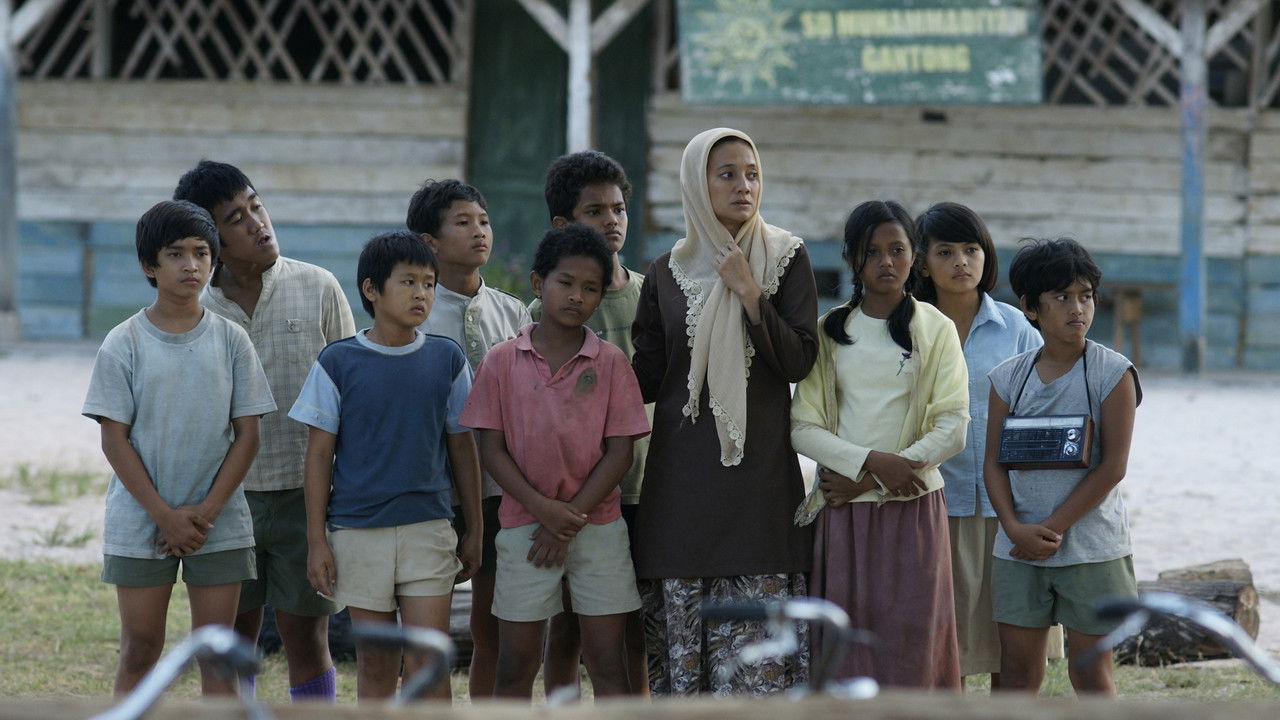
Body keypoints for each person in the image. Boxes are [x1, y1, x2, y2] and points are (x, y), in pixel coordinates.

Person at [631, 127, 818, 695]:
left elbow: (797, 361)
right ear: (696, 184)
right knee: (685, 668)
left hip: (758, 483)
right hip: (681, 486)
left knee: (758, 670)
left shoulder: (786, 257)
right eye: (727, 174)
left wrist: (748, 291)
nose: (744, 186)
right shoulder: (665, 273)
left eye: (752, 173)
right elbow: (646, 375)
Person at [174, 160, 355, 702]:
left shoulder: (316, 286)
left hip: (309, 496)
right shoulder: (195, 309)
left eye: (257, 205)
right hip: (227, 503)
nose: (257, 223)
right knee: (232, 640)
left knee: (307, 636)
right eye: (236, 218)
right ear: (212, 240)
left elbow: (351, 393)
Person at [82, 200, 275, 696]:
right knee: (141, 646)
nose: (191, 266)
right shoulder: (123, 342)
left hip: (221, 520)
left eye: (202, 253)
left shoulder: (232, 341)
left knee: (216, 654)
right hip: (142, 518)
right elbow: (114, 438)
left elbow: (247, 434)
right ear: (150, 265)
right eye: (175, 254)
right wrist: (164, 515)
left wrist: (205, 514)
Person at [459, 224, 650, 699]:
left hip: (600, 527)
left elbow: (619, 452)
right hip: (524, 527)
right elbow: (492, 450)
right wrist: (545, 512)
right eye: (565, 283)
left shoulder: (610, 363)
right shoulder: (502, 362)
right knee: (515, 662)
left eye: (591, 288)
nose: (577, 296)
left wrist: (569, 519)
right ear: (538, 283)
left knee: (608, 661)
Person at [289, 231, 482, 701]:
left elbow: (463, 448)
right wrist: (317, 540)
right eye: (409, 282)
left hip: (428, 528)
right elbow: (318, 456)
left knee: (428, 661)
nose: (422, 294)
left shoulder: (447, 358)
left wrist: (474, 527)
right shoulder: (338, 361)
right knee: (375, 665)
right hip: (357, 533)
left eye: (430, 284)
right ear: (372, 290)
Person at [791, 200, 968, 689]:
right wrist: (866, 464)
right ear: (852, 258)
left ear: (915, 256)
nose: (886, 262)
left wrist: (878, 477)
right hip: (844, 511)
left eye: (898, 249)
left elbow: (953, 426)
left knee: (913, 642)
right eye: (873, 252)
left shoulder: (936, 329)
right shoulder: (830, 331)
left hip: (912, 505)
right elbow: (802, 427)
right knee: (849, 648)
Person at [984, 237, 1141, 696]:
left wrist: (1049, 530)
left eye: (1086, 296)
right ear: (1031, 308)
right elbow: (994, 464)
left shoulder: (1113, 373)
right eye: (1062, 297)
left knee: (1091, 674)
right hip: (1017, 549)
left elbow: (1113, 466)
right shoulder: (1008, 377)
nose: (1078, 308)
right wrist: (1014, 528)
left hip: (1093, 548)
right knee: (1016, 674)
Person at [913, 202, 1045, 686]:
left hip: (1006, 508)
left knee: (1012, 645)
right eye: (944, 252)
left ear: (986, 255)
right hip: (932, 503)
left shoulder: (1016, 330)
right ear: (922, 262)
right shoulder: (908, 328)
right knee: (943, 645)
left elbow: (1042, 407)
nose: (960, 262)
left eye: (971, 249)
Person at [532, 150, 649, 697]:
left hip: (643, 484)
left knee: (632, 624)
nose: (611, 221)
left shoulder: (653, 296)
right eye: (595, 211)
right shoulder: (551, 310)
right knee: (568, 624)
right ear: (563, 226)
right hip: (570, 491)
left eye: (619, 209)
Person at [407, 178, 530, 699]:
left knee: (493, 625)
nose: (479, 231)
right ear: (429, 241)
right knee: (422, 634)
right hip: (430, 490)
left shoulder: (514, 313)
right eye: (463, 222)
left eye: (483, 221)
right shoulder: (412, 312)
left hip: (502, 489)